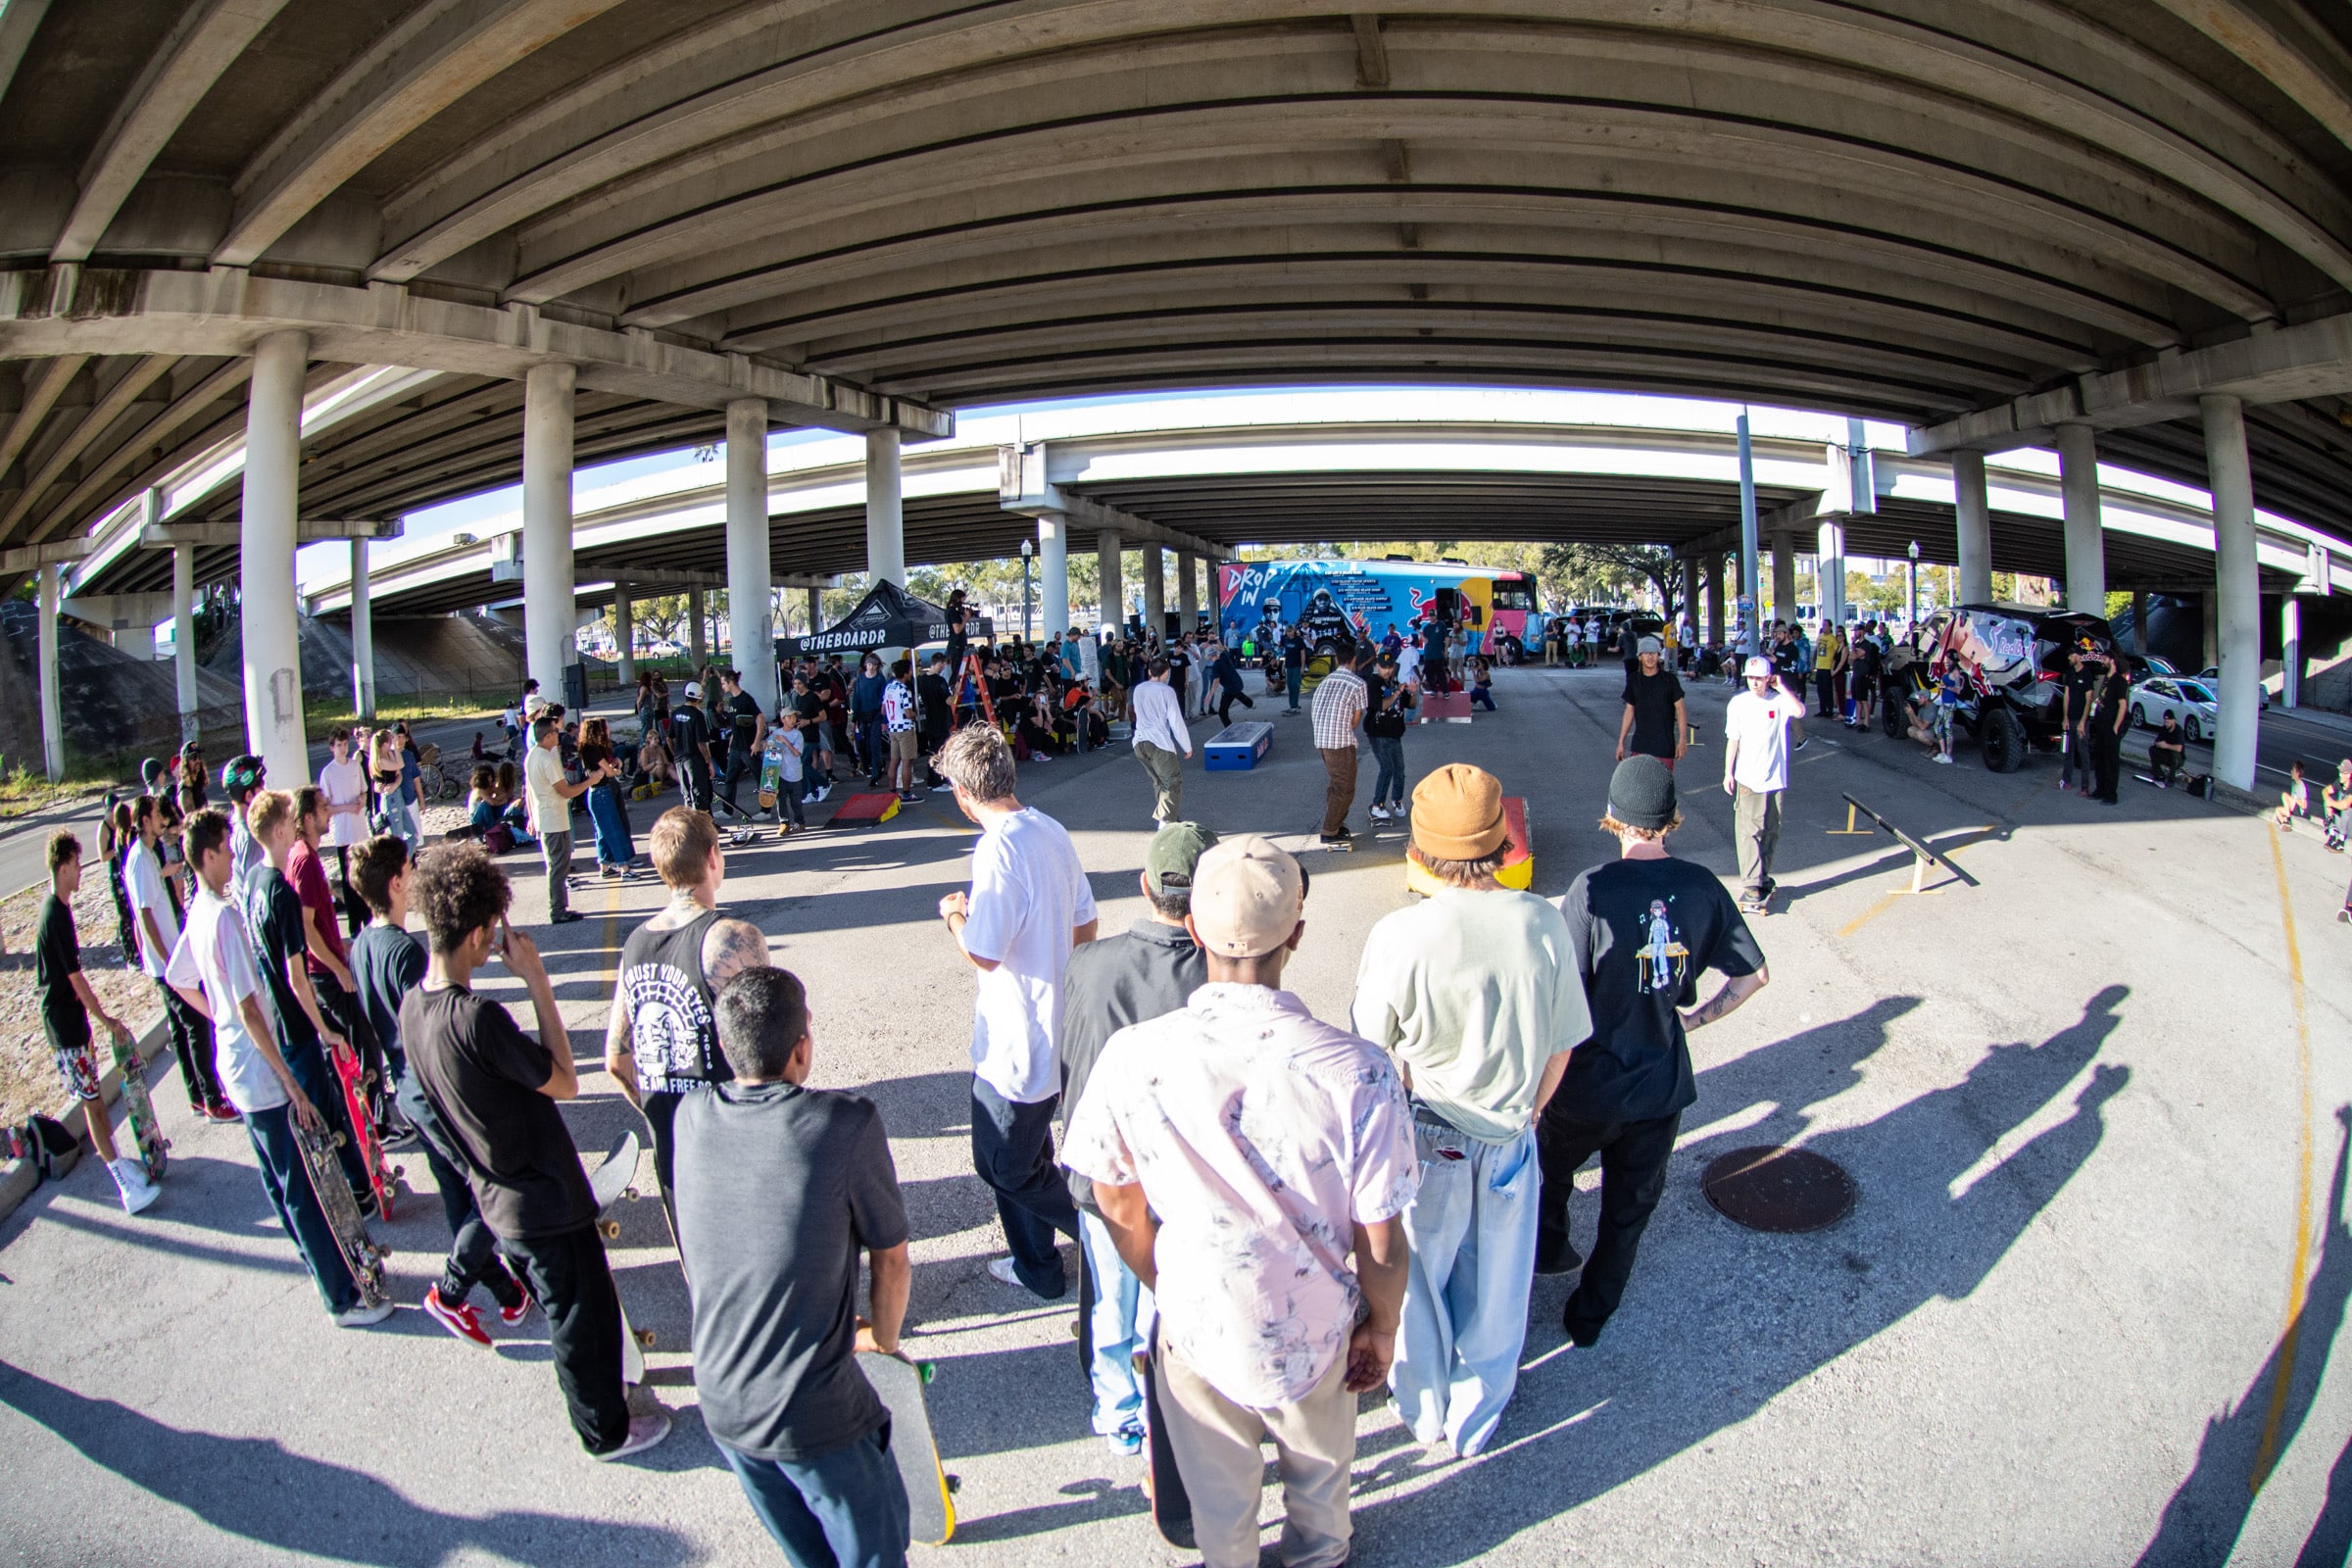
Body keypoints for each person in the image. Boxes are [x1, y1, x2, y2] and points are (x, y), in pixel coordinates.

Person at [1063, 835, 1416, 1568]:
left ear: (1191, 930)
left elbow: (1117, 1203)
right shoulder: (1360, 1072)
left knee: (1220, 1509)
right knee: (1322, 1486)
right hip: (1319, 1327)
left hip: (1197, 1321)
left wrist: (1168, 1281)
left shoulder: (1133, 1056)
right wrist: (1381, 1329)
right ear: (1296, 934)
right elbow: (1380, 1235)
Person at [403, 841, 673, 1460]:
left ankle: (612, 1405)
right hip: (543, 1197)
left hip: (499, 1192)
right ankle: (604, 1433)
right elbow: (564, 1079)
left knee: (587, 1307)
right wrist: (537, 982)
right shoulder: (477, 1018)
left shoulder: (413, 1007)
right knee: (578, 1320)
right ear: (476, 933)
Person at [1350, 766, 1586, 1457]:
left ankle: (1422, 1407)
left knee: (1418, 1278)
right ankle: (1477, 1415)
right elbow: (1563, 1046)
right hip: (1512, 1130)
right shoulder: (1543, 920)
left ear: (1419, 851)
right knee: (1498, 1285)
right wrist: (1531, 1114)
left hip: (1429, 1132)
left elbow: (1373, 1051)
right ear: (1503, 841)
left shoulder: (1399, 935)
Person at [677, 967, 913, 1565]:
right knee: (875, 1551)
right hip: (812, 1409)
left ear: (727, 1049)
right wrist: (881, 1338)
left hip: (722, 1399)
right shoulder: (844, 1125)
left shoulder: (690, 1117)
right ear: (802, 1048)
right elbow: (891, 1261)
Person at [1540, 757, 1767, 1346]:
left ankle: (1549, 1243)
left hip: (1584, 1085)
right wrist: (1693, 1019)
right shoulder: (1702, 887)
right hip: (1659, 1086)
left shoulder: (1591, 889)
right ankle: (1590, 1316)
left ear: (1612, 819)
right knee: (1629, 1208)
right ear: (1673, 819)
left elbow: (1561, 997)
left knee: (1550, 1172)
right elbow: (1753, 976)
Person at [168, 808, 392, 1325]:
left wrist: (216, 1015)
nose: (231, 856)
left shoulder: (201, 911)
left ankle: (315, 1266)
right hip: (259, 1068)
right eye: (224, 849)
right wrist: (290, 1082)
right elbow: (248, 1008)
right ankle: (341, 1297)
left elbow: (179, 979)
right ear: (207, 856)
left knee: (277, 1179)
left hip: (234, 1064)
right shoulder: (222, 916)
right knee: (300, 1186)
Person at [1055, 822, 1214, 1452]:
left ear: (1144, 886)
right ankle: (1173, 1409)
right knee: (1173, 1297)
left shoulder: (1089, 963)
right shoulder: (1218, 973)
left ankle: (1119, 1410)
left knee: (1111, 1299)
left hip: (1106, 1173)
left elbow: (1068, 1059)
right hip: (1185, 1179)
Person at [346, 834, 531, 1346]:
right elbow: (432, 1021)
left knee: (458, 1194)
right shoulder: (407, 951)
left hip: (407, 1089)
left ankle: (507, 1293)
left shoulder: (362, 943)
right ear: (398, 882)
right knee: (493, 1189)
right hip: (433, 1088)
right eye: (410, 866)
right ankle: (449, 1294)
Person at [933, 723, 1097, 1300]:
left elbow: (983, 950)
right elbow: (1084, 920)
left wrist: (954, 913)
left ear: (963, 792)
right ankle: (1038, 1265)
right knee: (1029, 1153)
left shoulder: (997, 848)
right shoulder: (1048, 828)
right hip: (1055, 1025)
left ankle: (1100, 1235)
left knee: (1004, 1164)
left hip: (1016, 1041)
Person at [607, 807, 770, 1208]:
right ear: (713, 856)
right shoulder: (732, 940)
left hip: (673, 1149)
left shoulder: (635, 944)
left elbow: (616, 1059)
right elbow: (771, 1051)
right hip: (734, 1142)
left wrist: (659, 1114)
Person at [38, 829, 161, 1213]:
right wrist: (107, 1021)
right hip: (65, 1025)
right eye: (76, 865)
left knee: (95, 1101)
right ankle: (123, 1186)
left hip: (71, 1021)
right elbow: (75, 979)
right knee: (92, 1104)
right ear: (62, 867)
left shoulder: (61, 909)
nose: (80, 871)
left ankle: (120, 1163)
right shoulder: (55, 915)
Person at [125, 794, 230, 1121]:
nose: (162, 819)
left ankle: (196, 1096)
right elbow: (143, 915)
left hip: (164, 961)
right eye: (157, 814)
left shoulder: (146, 855)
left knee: (181, 1029)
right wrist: (167, 960)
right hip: (166, 963)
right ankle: (213, 1098)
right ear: (144, 820)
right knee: (197, 1025)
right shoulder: (141, 858)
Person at [1723, 655, 1803, 914]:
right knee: (1748, 831)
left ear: (1768, 678)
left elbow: (1800, 711)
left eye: (1759, 678)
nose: (1755, 683)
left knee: (1771, 830)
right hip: (1748, 777)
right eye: (1751, 679)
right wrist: (1728, 772)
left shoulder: (1778, 702)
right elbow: (1733, 739)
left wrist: (1781, 687)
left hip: (1775, 778)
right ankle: (1750, 883)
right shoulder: (1739, 703)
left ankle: (1762, 877)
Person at [525, 714, 608, 926]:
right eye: (554, 731)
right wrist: (591, 780)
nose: (558, 735)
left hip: (548, 816)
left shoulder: (534, 755)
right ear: (548, 735)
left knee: (558, 864)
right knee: (558, 866)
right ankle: (558, 910)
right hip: (553, 818)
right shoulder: (545, 759)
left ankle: (560, 907)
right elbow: (565, 791)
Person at [1311, 648, 1370, 850]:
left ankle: (1337, 824)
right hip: (1340, 741)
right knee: (1345, 788)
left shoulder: (1325, 681)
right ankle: (1329, 831)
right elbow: (1356, 718)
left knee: (1336, 784)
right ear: (1353, 660)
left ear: (1337, 660)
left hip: (1321, 740)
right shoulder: (1358, 683)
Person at [1128, 656, 1192, 829]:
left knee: (1159, 783)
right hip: (1159, 743)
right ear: (1166, 673)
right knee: (1172, 781)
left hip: (1139, 742)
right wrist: (1187, 746)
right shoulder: (1167, 691)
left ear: (1149, 671)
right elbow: (1175, 720)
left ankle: (1171, 819)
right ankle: (1165, 823)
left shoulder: (1139, 689)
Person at [319, 727, 371, 936]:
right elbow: (326, 806)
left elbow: (364, 791)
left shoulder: (355, 765)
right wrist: (347, 807)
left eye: (344, 744)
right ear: (332, 747)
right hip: (344, 834)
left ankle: (368, 919)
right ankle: (353, 925)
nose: (342, 748)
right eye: (338, 745)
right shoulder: (328, 773)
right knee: (349, 881)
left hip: (360, 830)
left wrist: (360, 801)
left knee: (364, 878)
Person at [1616, 635, 1688, 769]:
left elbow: (1680, 709)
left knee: (1662, 787)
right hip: (1640, 746)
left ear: (1658, 656)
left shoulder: (1670, 680)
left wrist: (1682, 740)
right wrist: (1621, 742)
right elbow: (1629, 711)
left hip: (1664, 747)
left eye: (1653, 653)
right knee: (1639, 788)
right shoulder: (1633, 680)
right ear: (1639, 657)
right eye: (1646, 653)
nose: (1650, 657)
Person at [1364, 652, 1411, 823]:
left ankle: (1396, 800)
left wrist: (1412, 693)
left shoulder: (1395, 682)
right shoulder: (1373, 683)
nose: (1387, 671)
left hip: (1395, 733)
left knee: (1399, 769)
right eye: (1384, 668)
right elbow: (1381, 706)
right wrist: (1398, 692)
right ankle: (1377, 805)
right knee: (1387, 768)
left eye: (1390, 667)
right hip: (1378, 733)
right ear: (1377, 666)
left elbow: (1409, 704)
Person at [719, 669, 766, 812]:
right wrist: (730, 745)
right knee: (730, 778)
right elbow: (734, 727)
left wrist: (757, 742)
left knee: (759, 776)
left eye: (723, 683)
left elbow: (761, 719)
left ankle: (765, 809)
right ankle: (727, 809)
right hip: (736, 746)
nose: (722, 687)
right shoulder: (732, 700)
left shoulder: (746, 699)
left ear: (730, 682)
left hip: (748, 746)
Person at [882, 659, 922, 803]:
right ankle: (906, 793)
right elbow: (908, 713)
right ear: (905, 673)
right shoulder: (904, 690)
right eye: (910, 670)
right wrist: (915, 715)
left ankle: (892, 792)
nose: (911, 673)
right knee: (907, 762)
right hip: (904, 728)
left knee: (893, 761)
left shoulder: (889, 687)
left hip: (892, 727)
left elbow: (883, 709)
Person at [1210, 639, 1256, 725]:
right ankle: (1250, 704)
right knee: (1237, 693)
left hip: (1229, 689)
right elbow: (1224, 649)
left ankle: (1229, 728)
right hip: (1238, 684)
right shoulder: (1225, 656)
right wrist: (1218, 643)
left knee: (1222, 712)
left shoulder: (1216, 665)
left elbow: (1216, 681)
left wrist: (1210, 695)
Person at [2149, 712, 2188, 788]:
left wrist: (2166, 745)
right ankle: (2159, 774)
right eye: (2165, 722)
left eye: (2168, 722)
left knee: (2174, 754)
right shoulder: (2164, 729)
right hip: (2166, 755)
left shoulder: (2178, 731)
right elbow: (2157, 741)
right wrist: (2158, 744)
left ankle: (2171, 778)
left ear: (2173, 721)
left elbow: (2179, 748)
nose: (2166, 724)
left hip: (2178, 758)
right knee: (2152, 750)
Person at [2277, 759, 2313, 829]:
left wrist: (2294, 800)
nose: (2291, 772)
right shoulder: (2294, 783)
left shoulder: (2301, 786)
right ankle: (2285, 824)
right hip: (2293, 808)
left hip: (2299, 810)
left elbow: (2304, 806)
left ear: (2297, 773)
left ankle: (2288, 818)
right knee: (2278, 810)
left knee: (2284, 795)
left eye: (2293, 770)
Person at [1281, 622, 1305, 711]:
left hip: (1297, 665)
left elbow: (1303, 654)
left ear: (1294, 631)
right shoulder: (1286, 640)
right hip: (1288, 665)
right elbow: (1286, 654)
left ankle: (1294, 704)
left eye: (1291, 631)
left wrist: (1302, 666)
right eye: (1288, 632)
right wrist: (1283, 665)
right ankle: (1292, 704)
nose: (1289, 633)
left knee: (1295, 685)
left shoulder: (1299, 640)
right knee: (1289, 685)